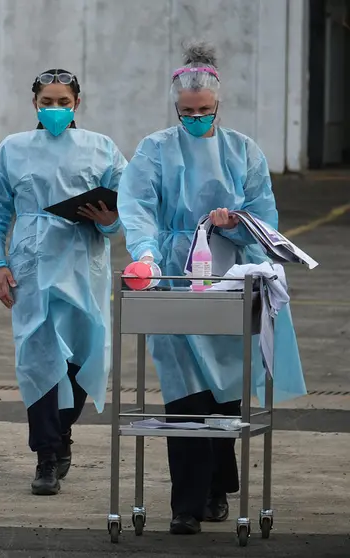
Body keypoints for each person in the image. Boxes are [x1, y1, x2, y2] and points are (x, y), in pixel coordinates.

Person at [117, 42, 307, 535]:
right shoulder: (155, 149)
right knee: (183, 396)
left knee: (224, 394)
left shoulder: (244, 150)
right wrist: (146, 256)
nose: (196, 119)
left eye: (204, 111)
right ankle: (186, 504)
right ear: (175, 109)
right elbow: (135, 205)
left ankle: (218, 486)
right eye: (187, 112)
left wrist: (235, 221)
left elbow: (265, 216)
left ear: (218, 106)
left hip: (228, 279)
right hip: (173, 278)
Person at [0, 69, 126, 496]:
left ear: (78, 103)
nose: (55, 109)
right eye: (47, 102)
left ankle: (62, 433)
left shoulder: (102, 149)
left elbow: (129, 208)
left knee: (80, 354)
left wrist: (110, 222)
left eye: (63, 102)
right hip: (31, 267)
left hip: (82, 264)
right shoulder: (12, 150)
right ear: (34, 103)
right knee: (38, 355)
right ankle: (46, 455)